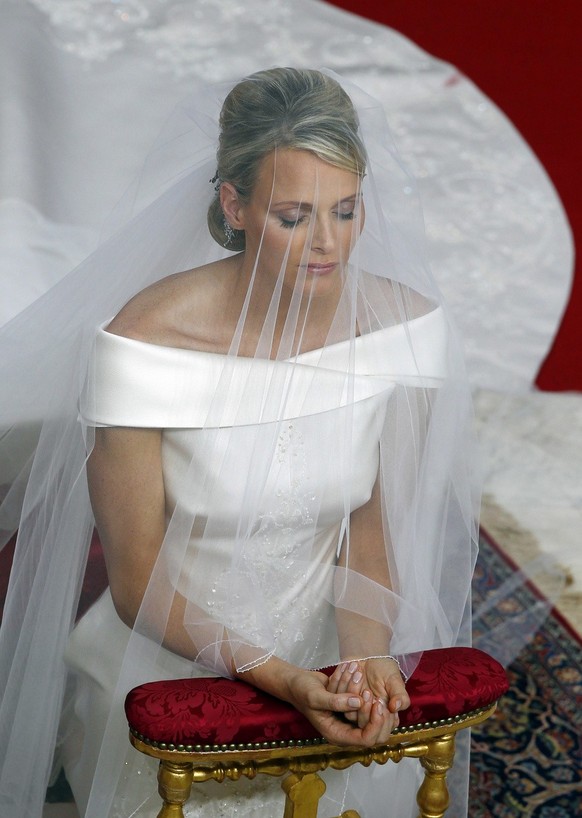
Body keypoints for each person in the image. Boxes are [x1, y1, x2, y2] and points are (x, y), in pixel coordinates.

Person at [0, 68, 478, 817]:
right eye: (294, 216)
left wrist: (365, 656)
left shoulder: (404, 331)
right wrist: (281, 679)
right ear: (235, 204)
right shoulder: (143, 346)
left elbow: (373, 527)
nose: (328, 244)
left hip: (333, 645)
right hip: (172, 659)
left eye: (346, 211)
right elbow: (136, 576)